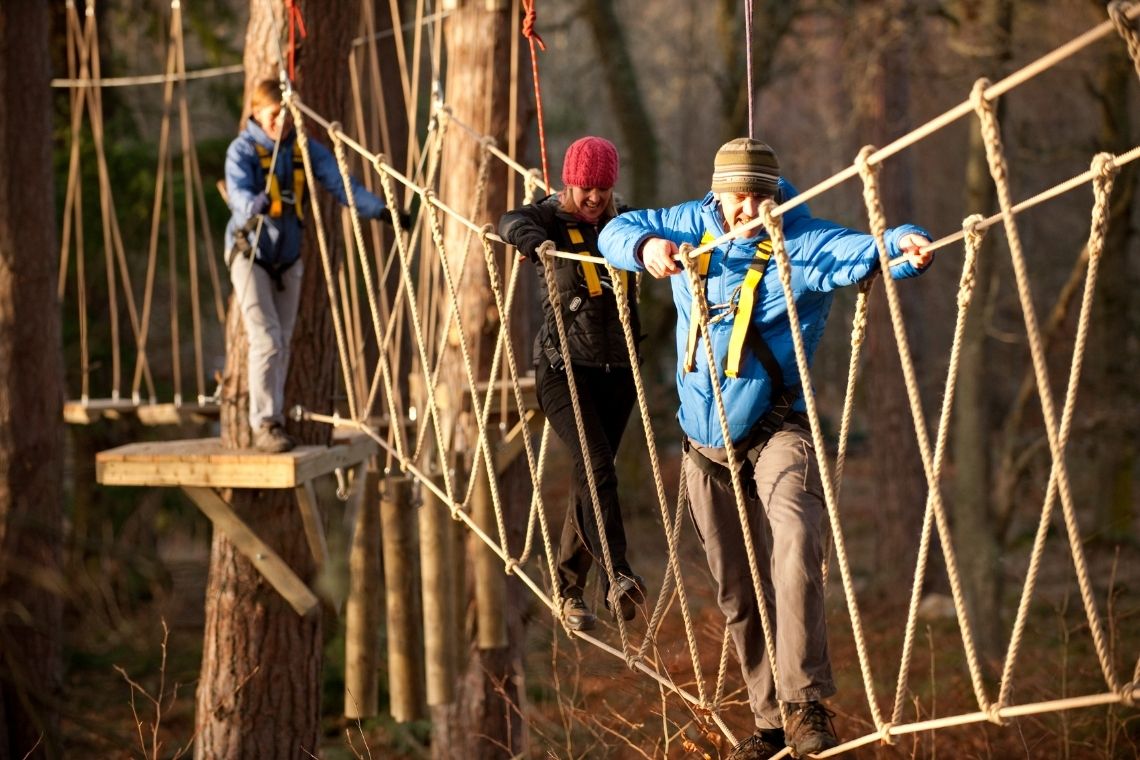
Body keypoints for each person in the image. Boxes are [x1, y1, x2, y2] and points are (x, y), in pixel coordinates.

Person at [598, 137, 932, 759]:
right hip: (705, 450)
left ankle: (807, 705)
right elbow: (617, 228)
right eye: (737, 194)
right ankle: (771, 722)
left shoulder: (797, 244)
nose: (749, 206)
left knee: (796, 540)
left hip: (780, 431)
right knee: (737, 591)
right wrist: (648, 249)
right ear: (717, 192)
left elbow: (861, 253)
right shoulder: (689, 226)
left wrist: (905, 246)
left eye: (761, 194)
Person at [498, 136, 646, 632]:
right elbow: (509, 222)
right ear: (569, 182)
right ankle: (617, 576)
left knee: (592, 477)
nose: (594, 199)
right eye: (586, 188)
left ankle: (568, 591)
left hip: (619, 371)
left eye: (603, 190)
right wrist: (531, 245)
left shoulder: (623, 223)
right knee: (599, 466)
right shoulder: (546, 220)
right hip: (564, 370)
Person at [224, 79, 398, 453]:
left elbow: (340, 182)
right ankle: (264, 423)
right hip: (250, 255)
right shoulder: (242, 151)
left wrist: (380, 210)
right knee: (266, 339)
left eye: (286, 116)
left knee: (282, 342)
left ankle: (274, 419)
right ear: (256, 113)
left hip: (288, 260)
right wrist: (248, 205)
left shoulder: (304, 148)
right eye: (274, 116)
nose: (281, 123)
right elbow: (237, 189)